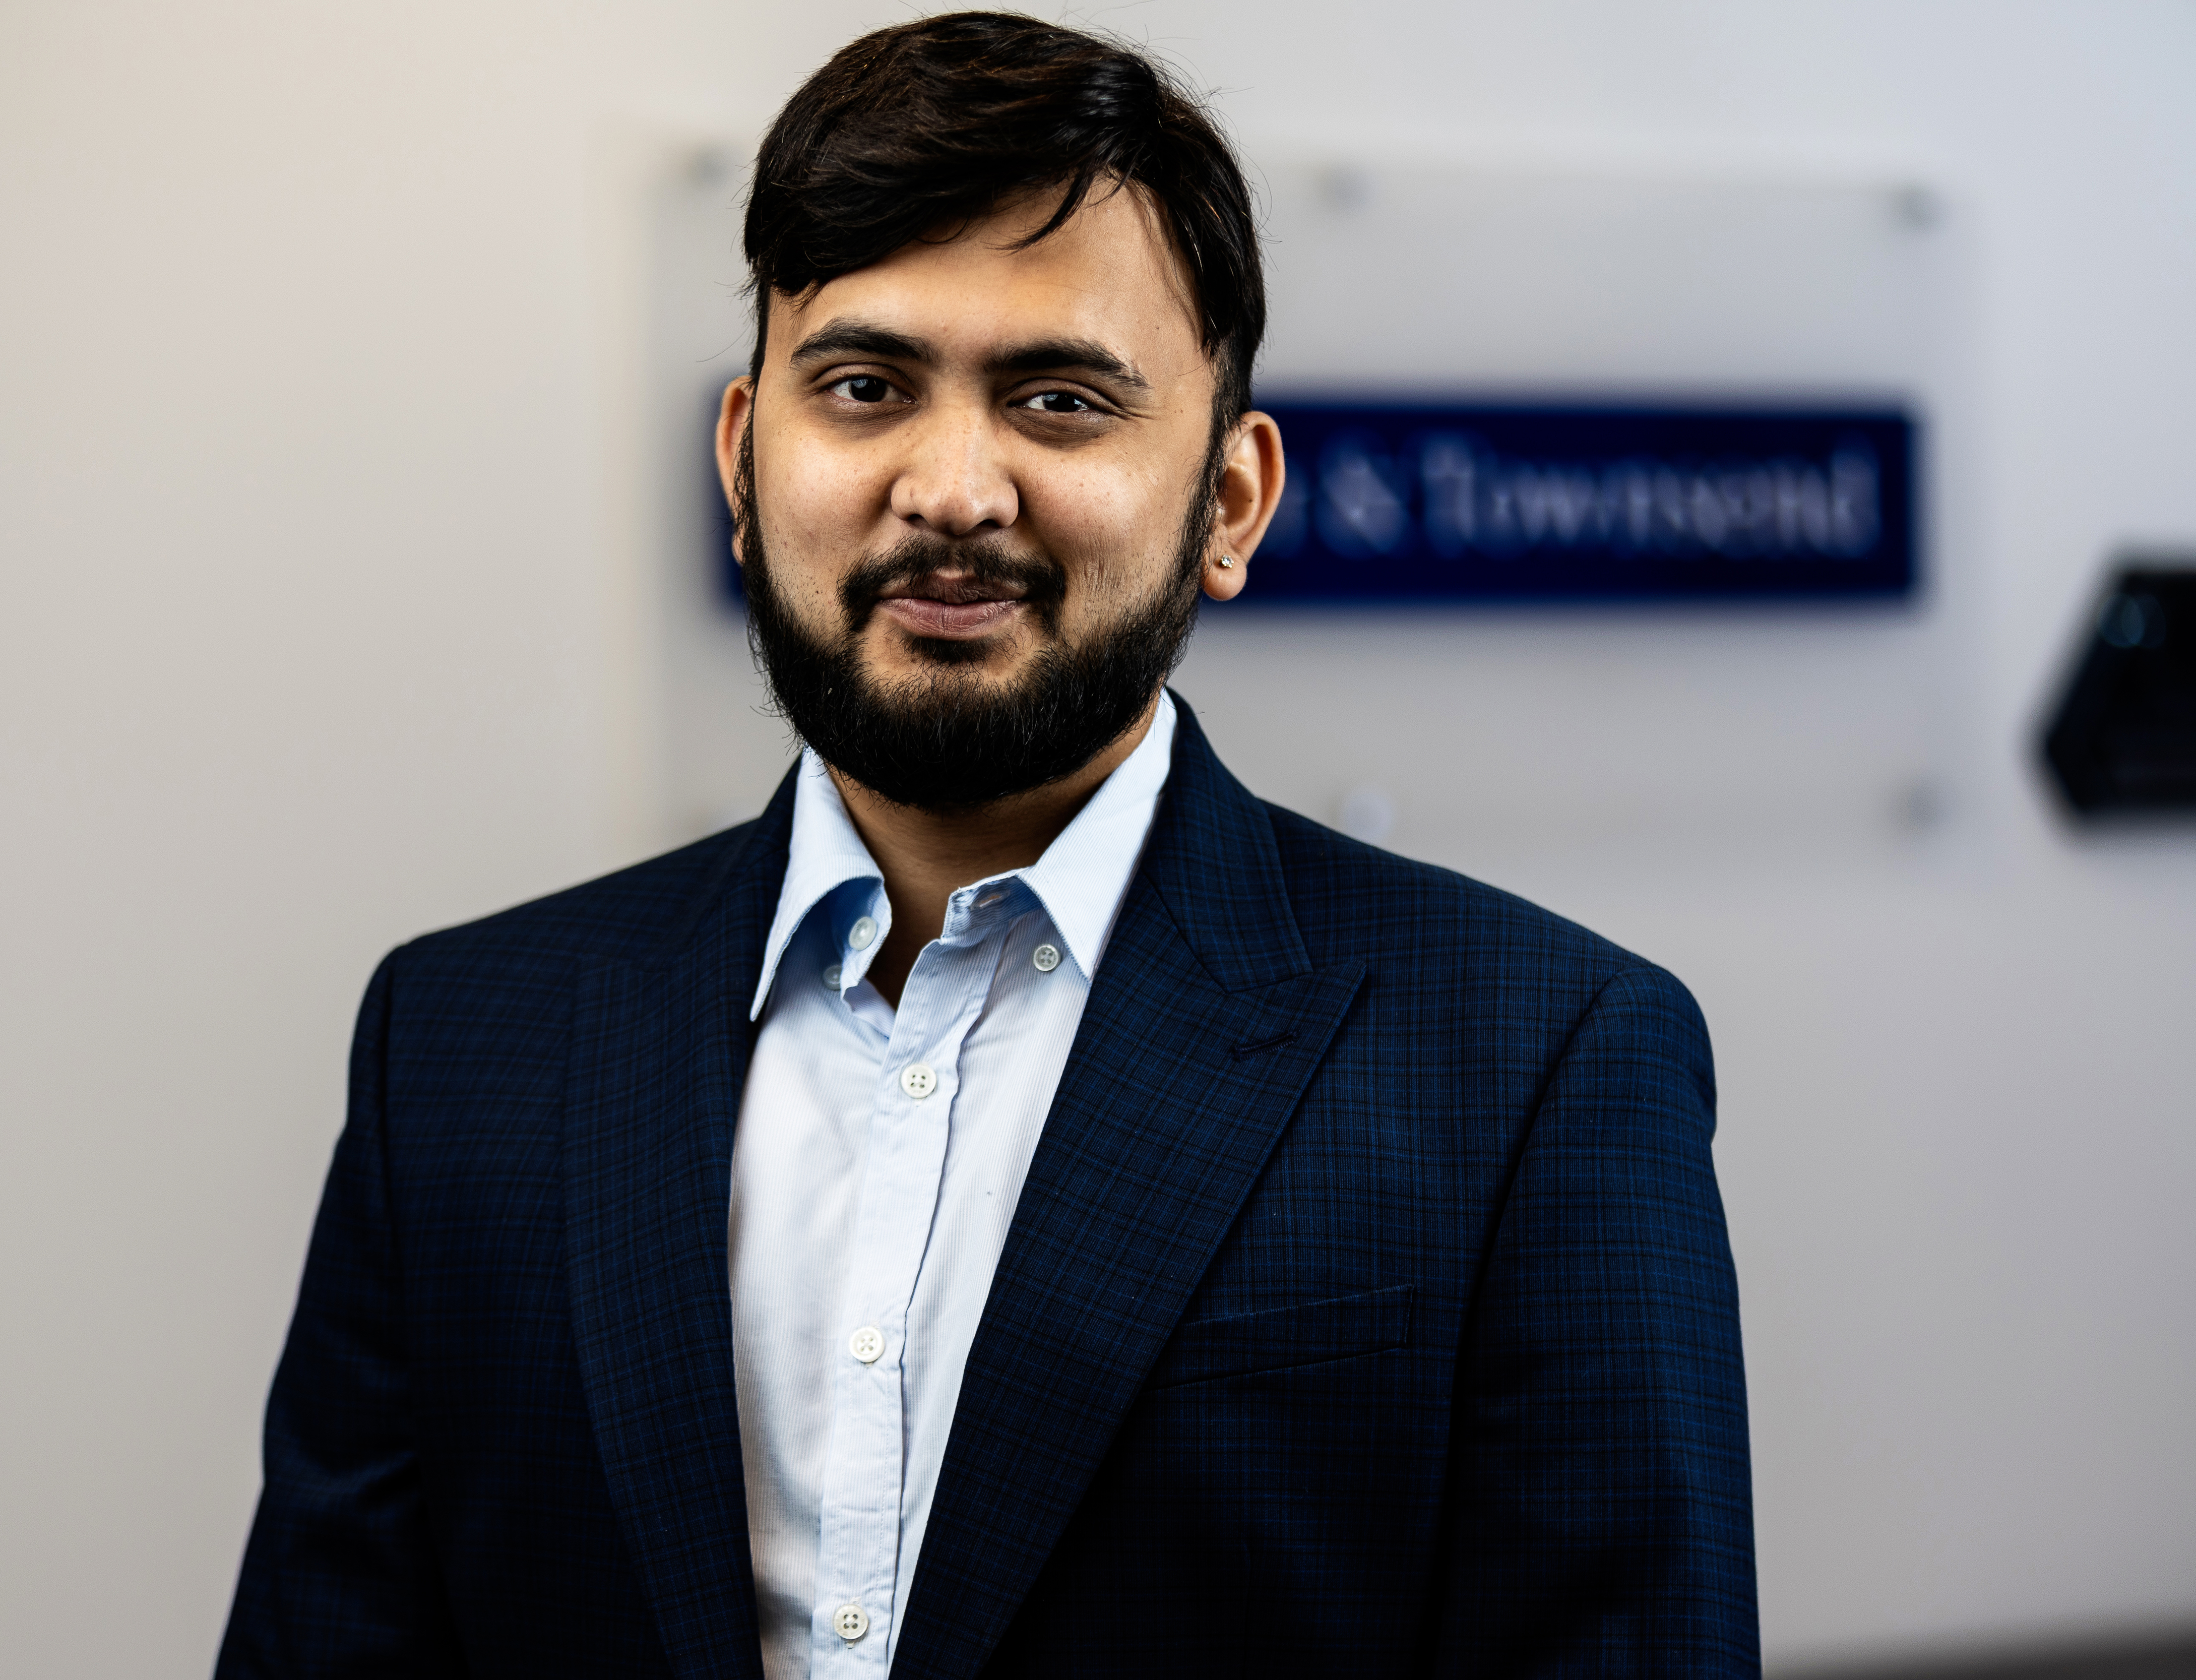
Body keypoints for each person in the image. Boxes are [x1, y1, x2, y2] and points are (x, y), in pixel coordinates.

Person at [217, 13, 1755, 1676]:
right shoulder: (459, 1049)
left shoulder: (1541, 1062)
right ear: (746, 460)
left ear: (1229, 502)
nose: (953, 487)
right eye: (866, 388)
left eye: (1061, 399)